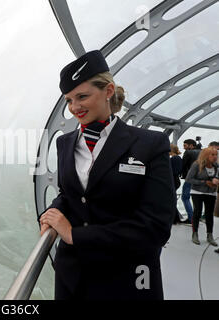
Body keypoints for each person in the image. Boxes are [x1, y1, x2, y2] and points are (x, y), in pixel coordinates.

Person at [38, 50, 175, 300]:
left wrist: (74, 235)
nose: (74, 108)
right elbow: (70, 194)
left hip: (127, 278)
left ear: (108, 91)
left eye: (82, 96)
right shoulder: (65, 143)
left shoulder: (150, 144)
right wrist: (51, 214)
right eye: (69, 100)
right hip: (73, 275)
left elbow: (155, 227)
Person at [186, 147, 219, 246]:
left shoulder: (216, 166)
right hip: (197, 192)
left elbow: (217, 176)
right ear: (206, 155)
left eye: (216, 155)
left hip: (211, 193)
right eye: (212, 154)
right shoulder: (197, 165)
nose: (214, 157)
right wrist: (204, 182)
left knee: (209, 214)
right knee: (197, 212)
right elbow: (189, 179)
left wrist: (215, 180)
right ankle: (195, 233)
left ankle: (210, 235)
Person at [181, 139, 201, 223]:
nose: (184, 147)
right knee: (197, 198)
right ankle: (197, 218)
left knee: (185, 197)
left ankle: (191, 218)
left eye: (185, 145)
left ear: (191, 145)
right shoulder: (202, 152)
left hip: (190, 178)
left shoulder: (188, 153)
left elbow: (183, 164)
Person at [170, 144, 183, 224]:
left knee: (171, 199)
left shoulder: (173, 159)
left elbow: (172, 170)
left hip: (173, 180)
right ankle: (176, 218)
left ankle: (175, 218)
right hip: (176, 180)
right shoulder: (178, 158)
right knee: (172, 199)